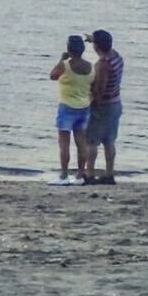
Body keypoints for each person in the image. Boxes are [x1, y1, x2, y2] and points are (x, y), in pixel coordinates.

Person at [47, 35, 93, 185]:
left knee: (64, 144)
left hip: (67, 107)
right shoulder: (90, 66)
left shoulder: (65, 65)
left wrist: (61, 59)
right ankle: (80, 174)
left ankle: (64, 175)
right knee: (81, 143)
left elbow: (53, 76)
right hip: (84, 107)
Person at [84, 29, 124, 185]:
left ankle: (89, 174)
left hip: (103, 106)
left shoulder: (103, 65)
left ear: (96, 46)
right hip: (116, 102)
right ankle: (109, 173)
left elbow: (100, 89)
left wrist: (92, 103)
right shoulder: (116, 56)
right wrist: (92, 38)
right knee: (109, 141)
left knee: (91, 141)